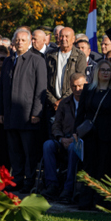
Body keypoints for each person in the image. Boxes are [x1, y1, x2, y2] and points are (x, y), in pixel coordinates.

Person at [0, 28, 47, 192]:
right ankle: (17, 180)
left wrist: (36, 112)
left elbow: (41, 88)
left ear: (29, 42)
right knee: (14, 151)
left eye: (23, 40)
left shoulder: (37, 60)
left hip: (28, 115)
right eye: (17, 40)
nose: (19, 43)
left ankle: (29, 181)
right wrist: (0, 111)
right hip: (10, 115)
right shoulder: (8, 61)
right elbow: (2, 89)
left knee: (29, 152)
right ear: (13, 42)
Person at [74, 60, 111, 210]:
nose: (105, 73)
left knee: (104, 168)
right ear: (97, 72)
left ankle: (101, 202)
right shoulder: (88, 89)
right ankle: (85, 201)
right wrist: (76, 131)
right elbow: (81, 112)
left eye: (108, 70)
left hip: (108, 136)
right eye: (102, 70)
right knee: (88, 167)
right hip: (89, 135)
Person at [41, 73, 86, 203]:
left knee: (73, 148)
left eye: (80, 86)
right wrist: (61, 138)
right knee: (48, 145)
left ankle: (68, 188)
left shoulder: (89, 102)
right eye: (74, 86)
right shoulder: (65, 103)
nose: (77, 89)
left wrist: (76, 138)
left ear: (86, 85)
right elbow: (56, 124)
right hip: (63, 139)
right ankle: (52, 185)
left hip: (81, 142)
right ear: (70, 86)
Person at [45, 27, 87, 115]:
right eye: (61, 36)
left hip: (70, 104)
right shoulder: (49, 55)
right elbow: (44, 80)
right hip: (51, 105)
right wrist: (53, 101)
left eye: (66, 36)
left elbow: (79, 80)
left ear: (73, 39)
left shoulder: (80, 56)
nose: (63, 39)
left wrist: (62, 101)